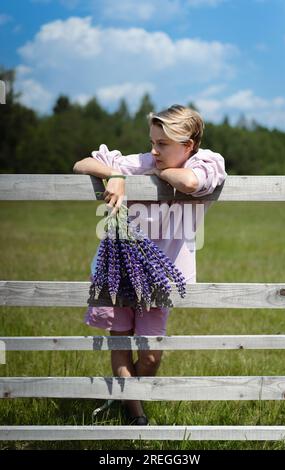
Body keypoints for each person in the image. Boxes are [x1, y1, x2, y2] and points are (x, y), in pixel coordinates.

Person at [73, 104, 227, 425]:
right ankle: (135, 413)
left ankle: (128, 397)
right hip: (117, 268)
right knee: (120, 339)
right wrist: (115, 174)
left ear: (190, 145)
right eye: (152, 142)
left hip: (160, 277)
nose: (154, 151)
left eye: (163, 144)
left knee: (151, 353)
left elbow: (188, 182)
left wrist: (156, 174)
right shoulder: (141, 162)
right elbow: (81, 163)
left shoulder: (205, 161)